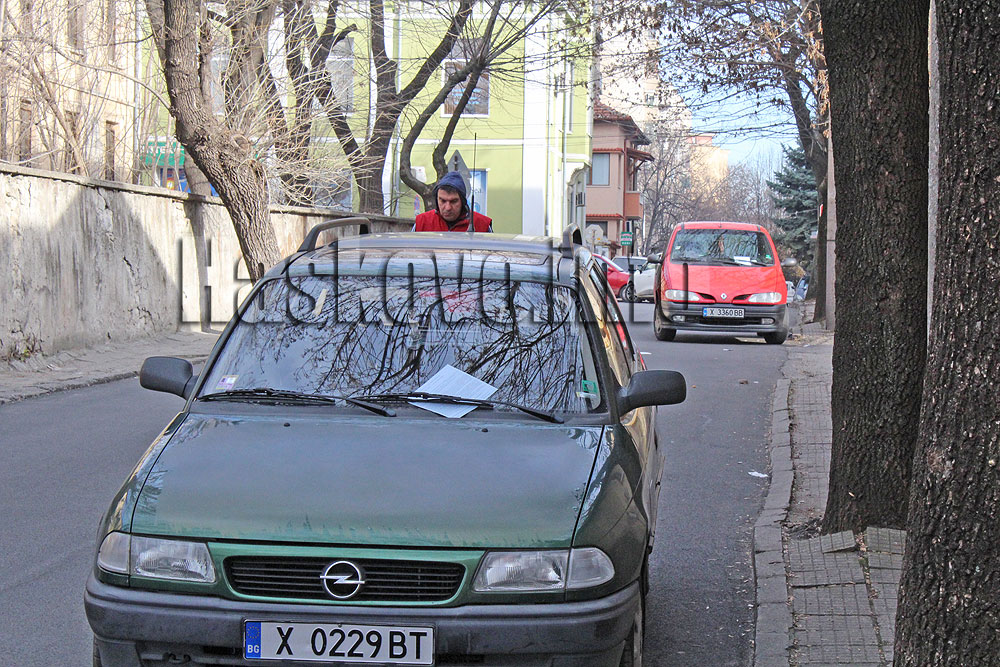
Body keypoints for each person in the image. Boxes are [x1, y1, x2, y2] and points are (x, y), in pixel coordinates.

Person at [413, 172, 493, 232]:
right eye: (443, 201)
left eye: (454, 201)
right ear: (436, 200)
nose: (448, 208)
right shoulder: (422, 222)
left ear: (463, 201)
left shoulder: (482, 225)